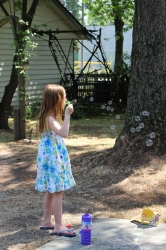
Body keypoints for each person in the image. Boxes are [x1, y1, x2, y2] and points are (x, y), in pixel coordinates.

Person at [35, 84, 76, 237]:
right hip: (52, 157)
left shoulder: (49, 116)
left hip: (50, 155)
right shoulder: (50, 119)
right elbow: (64, 133)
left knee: (51, 190)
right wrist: (68, 115)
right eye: (63, 98)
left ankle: (47, 221)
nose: (65, 101)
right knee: (58, 190)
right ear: (57, 100)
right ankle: (58, 226)